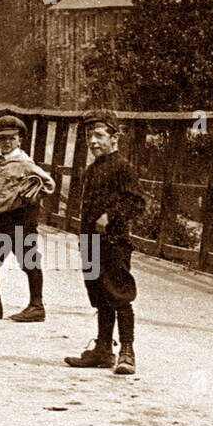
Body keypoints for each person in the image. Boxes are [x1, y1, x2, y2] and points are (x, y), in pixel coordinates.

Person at [65, 110, 144, 375]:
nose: (93, 141)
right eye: (90, 136)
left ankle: (127, 352)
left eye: (99, 135)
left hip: (114, 242)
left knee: (119, 295)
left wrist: (110, 216)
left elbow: (136, 201)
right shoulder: (92, 169)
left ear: (114, 137)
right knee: (99, 295)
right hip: (90, 241)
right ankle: (102, 350)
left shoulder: (122, 166)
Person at [0, 115, 55, 322]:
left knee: (28, 260)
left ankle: (36, 306)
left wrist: (32, 193)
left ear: (20, 140)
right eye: (1, 138)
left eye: (11, 139)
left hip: (21, 219)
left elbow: (49, 183)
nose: (6, 143)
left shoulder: (23, 162)